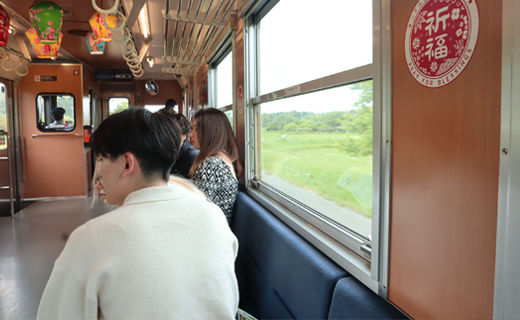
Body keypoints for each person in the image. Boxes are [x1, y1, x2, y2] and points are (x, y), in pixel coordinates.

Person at [37, 107, 239, 320]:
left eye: (101, 160)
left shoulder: (91, 238)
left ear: (126, 163)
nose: (98, 177)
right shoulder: (213, 216)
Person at [189, 108, 242, 221]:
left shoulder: (211, 165)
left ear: (209, 132)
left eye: (196, 129)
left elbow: (198, 211)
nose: (191, 134)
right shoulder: (224, 158)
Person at [170, 113, 199, 178]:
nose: (169, 136)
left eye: (174, 133)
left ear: (184, 136)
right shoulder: (167, 151)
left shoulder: (192, 155)